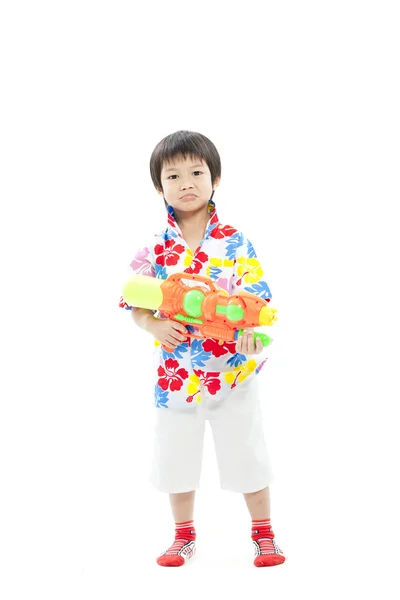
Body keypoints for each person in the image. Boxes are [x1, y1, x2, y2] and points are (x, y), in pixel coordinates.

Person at [119, 130, 285, 567]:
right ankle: (183, 535)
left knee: (246, 452)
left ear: (215, 179)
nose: (186, 182)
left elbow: (259, 306)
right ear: (159, 186)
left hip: (232, 369)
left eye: (197, 172)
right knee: (175, 456)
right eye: (173, 175)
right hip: (176, 374)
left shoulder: (236, 241)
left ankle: (264, 534)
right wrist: (153, 325)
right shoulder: (155, 248)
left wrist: (252, 338)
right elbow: (134, 304)